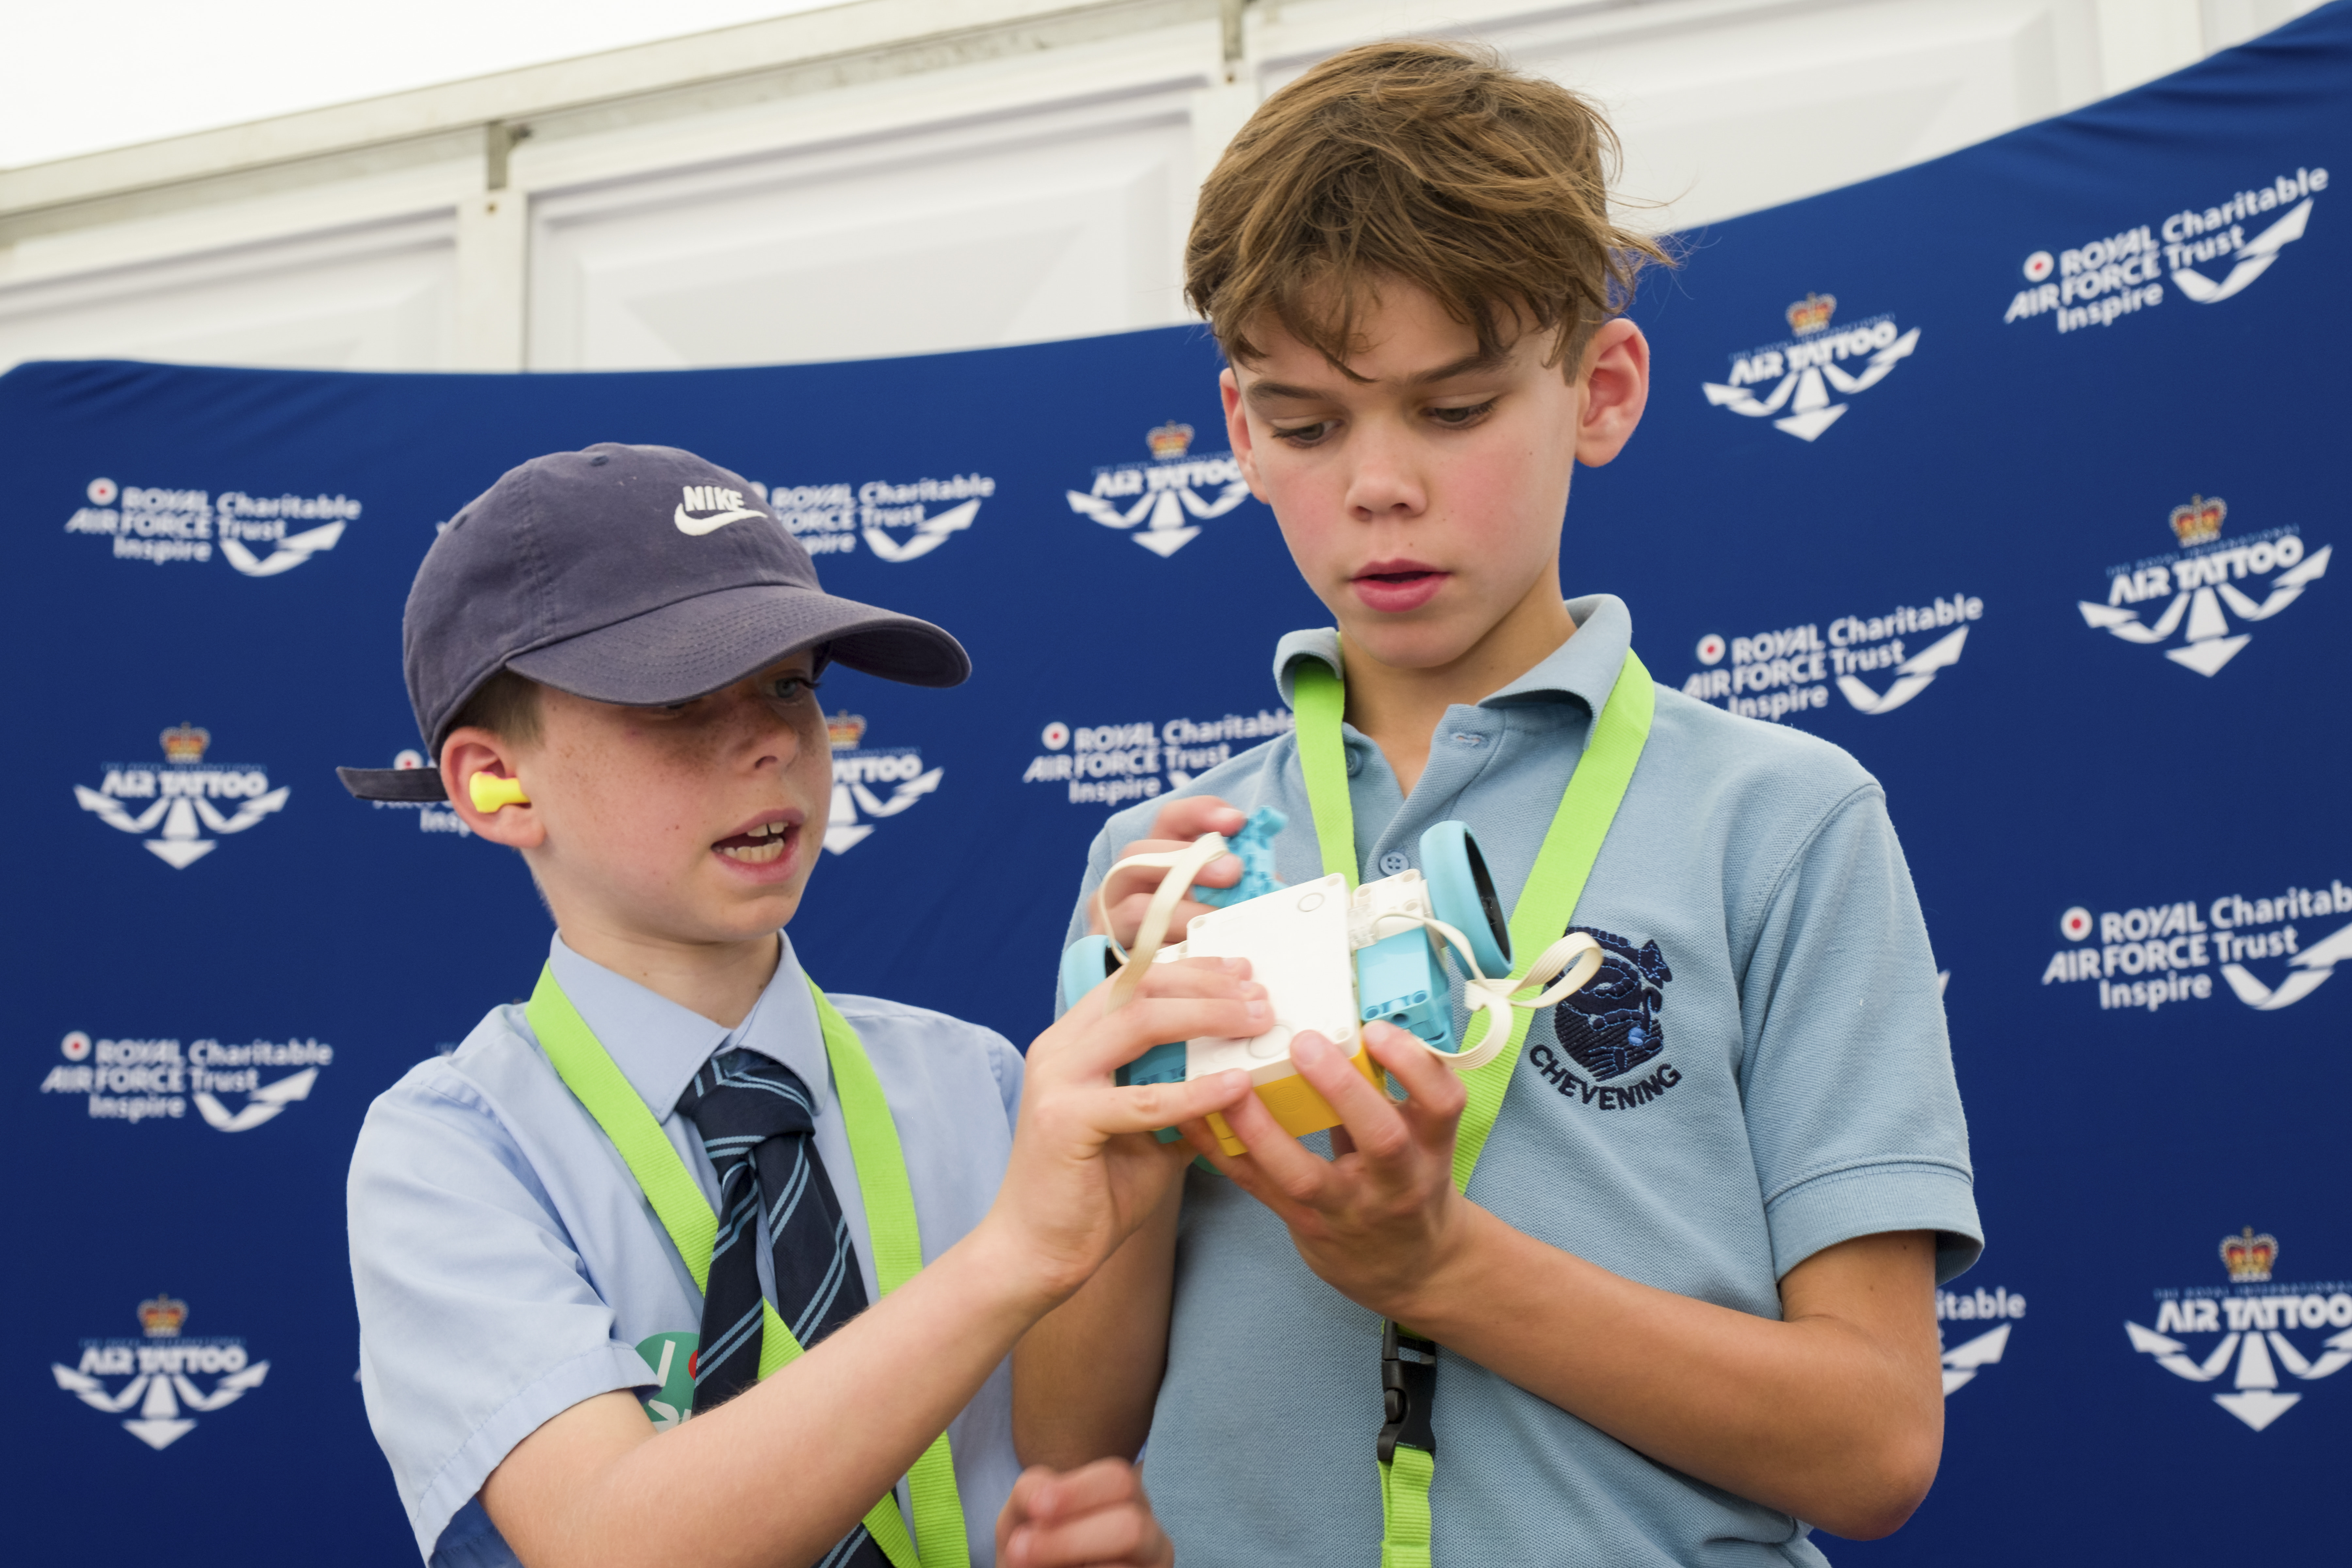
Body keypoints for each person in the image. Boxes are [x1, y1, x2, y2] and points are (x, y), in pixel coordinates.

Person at [1013, 41, 1982, 1567]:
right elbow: (1066, 1447)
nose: (1380, 486)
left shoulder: (1783, 820)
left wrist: (1442, 1265)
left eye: (1455, 409)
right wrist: (1120, 1152)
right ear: (1242, 432)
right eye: (1312, 422)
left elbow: (1873, 1445)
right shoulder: (1165, 870)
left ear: (1599, 390)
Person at [341, 442, 1257, 1568]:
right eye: (675, 700)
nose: (772, 739)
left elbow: (1069, 1453)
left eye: (790, 684)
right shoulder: (452, 1149)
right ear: (496, 784)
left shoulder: (978, 1081)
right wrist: (1012, 1255)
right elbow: (611, 1543)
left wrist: (1149, 1090)